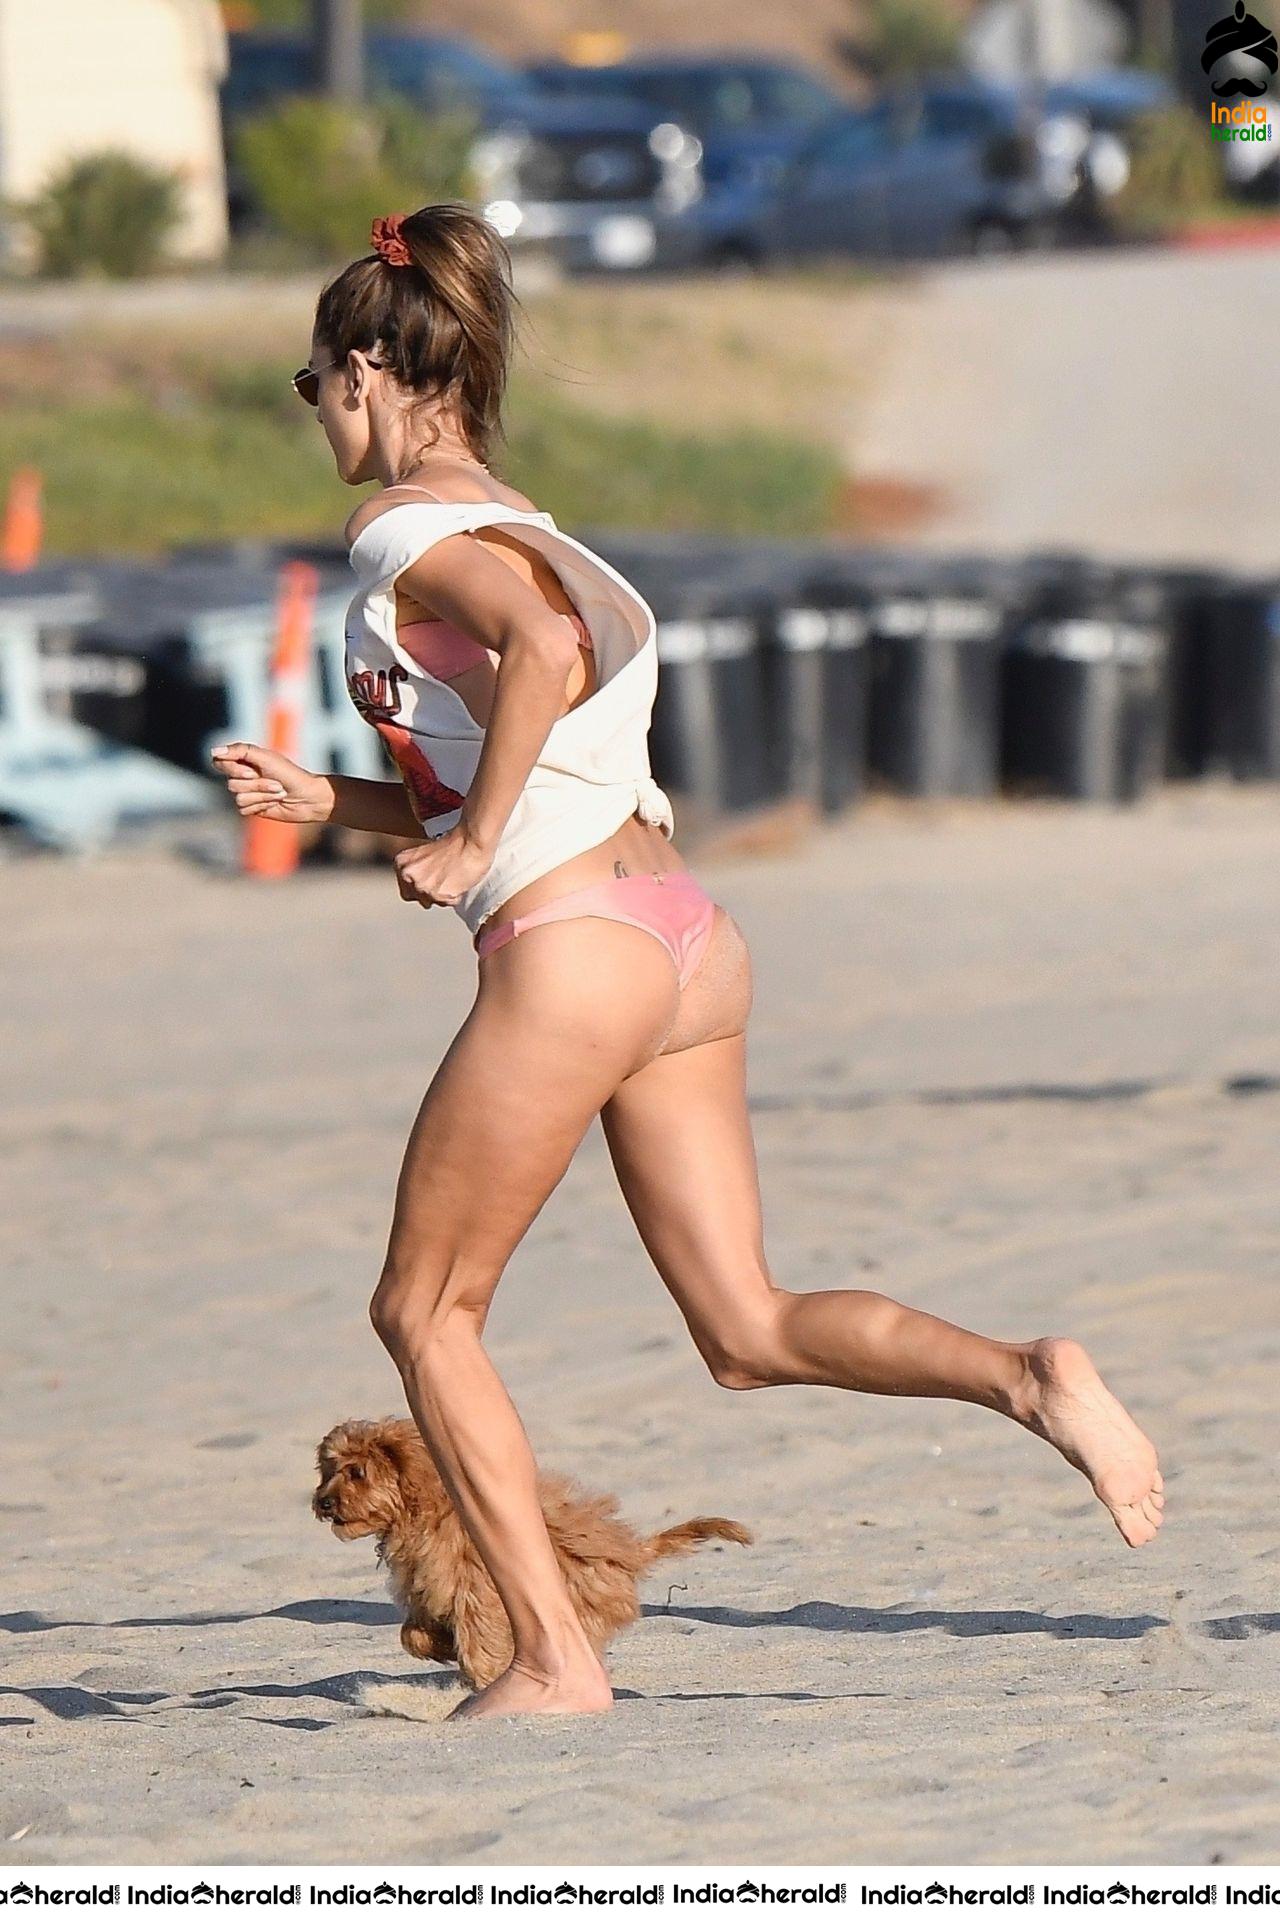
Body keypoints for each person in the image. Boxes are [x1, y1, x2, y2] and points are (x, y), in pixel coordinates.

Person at [211, 203, 1164, 1724]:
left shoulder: (398, 526)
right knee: (745, 1329)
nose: (313, 408)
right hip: (686, 942)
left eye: (312, 382)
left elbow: (536, 667)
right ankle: (1027, 1375)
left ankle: (552, 1658)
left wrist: (474, 842)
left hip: (575, 950)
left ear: (370, 373)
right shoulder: (531, 521)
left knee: (424, 1314)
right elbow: (528, 745)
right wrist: (337, 800)